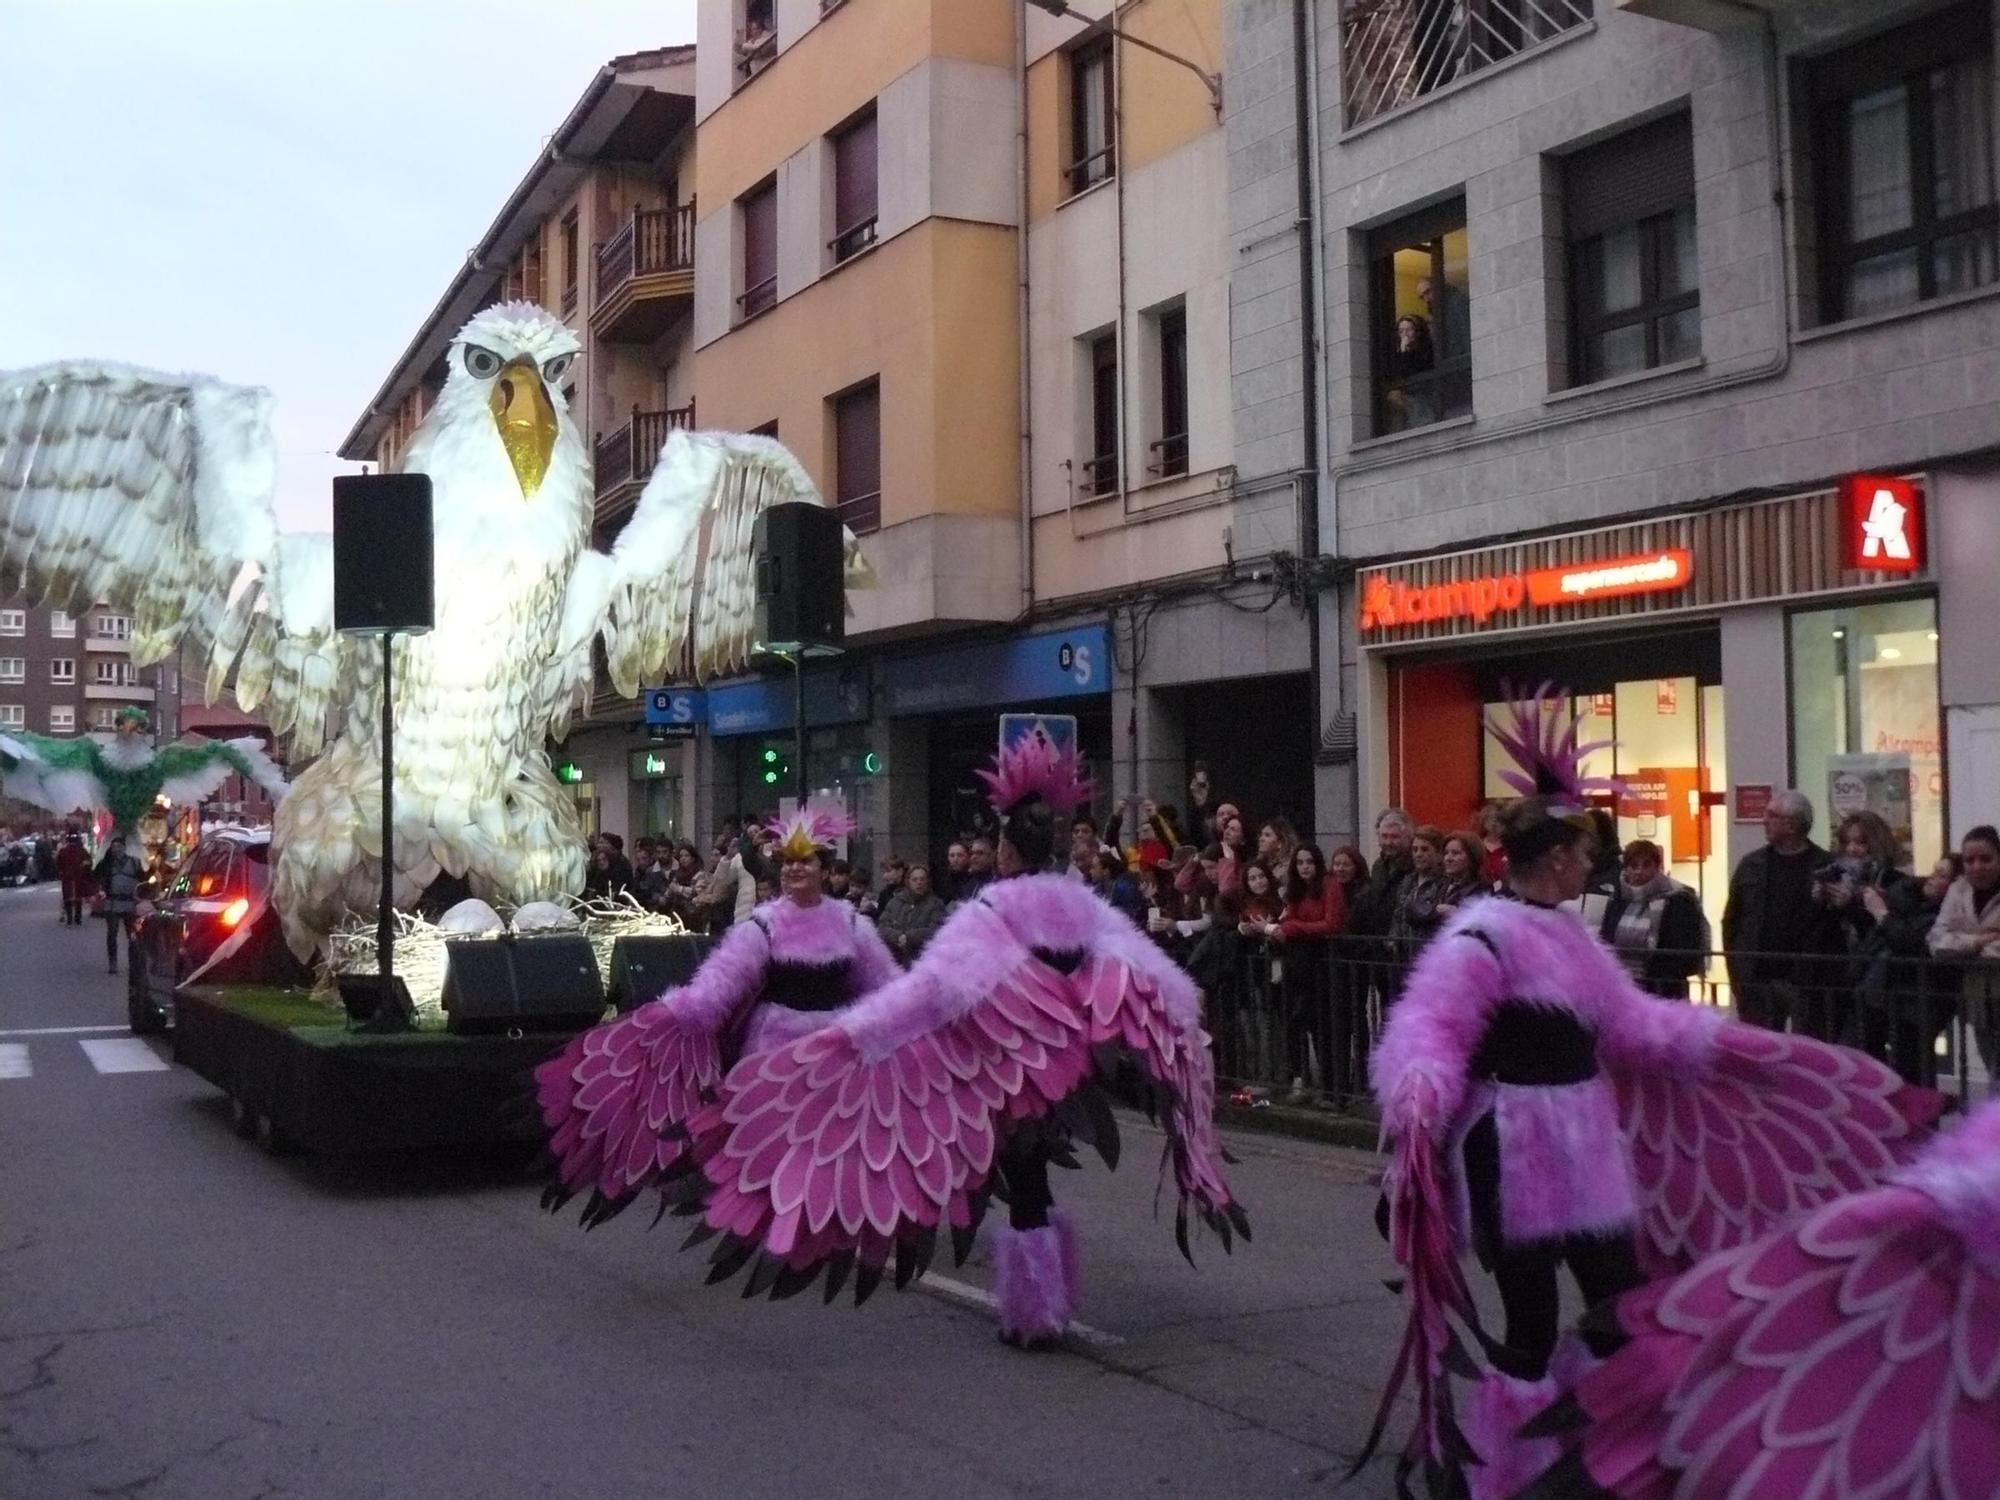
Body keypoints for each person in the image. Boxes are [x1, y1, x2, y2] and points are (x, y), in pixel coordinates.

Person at [1368, 691, 1942, 1498]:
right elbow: (1427, 1033)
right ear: (1551, 857)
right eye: (1580, 852)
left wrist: (1750, 1048)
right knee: (1530, 1327)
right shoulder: (1481, 937)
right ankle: (1510, 1470)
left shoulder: (1568, 934)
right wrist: (1419, 1095)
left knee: (1621, 1304)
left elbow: (1634, 1025)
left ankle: (1605, 1447)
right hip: (1514, 1149)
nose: (1589, 865)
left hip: (1585, 1147)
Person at [648, 737, 1243, 1347]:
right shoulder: (1081, 907)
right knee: (1032, 1177)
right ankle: (1042, 1301)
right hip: (1060, 1072)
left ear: (1008, 850)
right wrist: (1183, 1034)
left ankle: (1036, 1310)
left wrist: (855, 1036)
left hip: (1007, 1071)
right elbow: (1154, 978)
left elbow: (927, 992)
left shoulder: (991, 910)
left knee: (1024, 1176)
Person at [539, 809, 905, 1214]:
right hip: (773, 1057)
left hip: (836, 1055)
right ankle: (777, 1211)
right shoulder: (762, 927)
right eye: (788, 861)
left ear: (823, 867)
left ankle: (824, 1209)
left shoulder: (851, 924)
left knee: (833, 1141)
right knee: (777, 1144)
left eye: (806, 860)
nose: (795, 869)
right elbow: (714, 991)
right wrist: (663, 1019)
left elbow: (888, 990)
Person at [1721, 789, 1844, 1036]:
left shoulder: (1827, 867)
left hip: (1808, 981)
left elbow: (1838, 924)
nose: (1764, 820)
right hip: (1758, 977)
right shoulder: (1751, 865)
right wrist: (1736, 972)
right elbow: (1732, 920)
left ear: (1791, 824)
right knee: (1760, 1050)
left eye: (1772, 815)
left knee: (1809, 1052)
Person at [1269, 843, 1345, 1101]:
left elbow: (1330, 923)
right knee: (1295, 1022)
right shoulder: (1295, 890)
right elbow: (1288, 919)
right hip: (1297, 962)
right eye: (1300, 862)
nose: (1304, 867)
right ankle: (1301, 1078)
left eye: (1309, 862)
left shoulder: (1328, 884)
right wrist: (1278, 929)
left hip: (1321, 962)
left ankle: (1332, 1087)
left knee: (1322, 1025)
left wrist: (1294, 928)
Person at [1928, 825, 2000, 1096]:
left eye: (1986, 859)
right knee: (1992, 1066)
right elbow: (1937, 941)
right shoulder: (1958, 890)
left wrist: (1964, 944)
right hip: (1978, 1000)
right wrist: (1980, 940)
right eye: (1969, 860)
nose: (1977, 866)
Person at [1596, 837, 1709, 999]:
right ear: (1626, 868)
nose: (1639, 871)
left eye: (1646, 864)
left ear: (1657, 867)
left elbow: (1686, 951)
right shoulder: (1617, 899)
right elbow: (1606, 940)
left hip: (1663, 991)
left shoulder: (1679, 899)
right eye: (1633, 865)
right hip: (1622, 991)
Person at [876, 862, 947, 963]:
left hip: (922, 959)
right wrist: (897, 937)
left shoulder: (936, 904)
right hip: (895, 959)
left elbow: (936, 929)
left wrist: (910, 937)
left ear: (927, 882)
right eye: (915, 879)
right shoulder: (895, 901)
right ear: (908, 882)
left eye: (922, 879)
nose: (919, 883)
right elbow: (882, 926)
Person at [94, 834, 144, 975]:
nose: (116, 849)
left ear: (124, 848)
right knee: (112, 934)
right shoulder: (106, 863)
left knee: (133, 936)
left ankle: (133, 963)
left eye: (119, 846)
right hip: (112, 902)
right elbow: (95, 875)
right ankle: (113, 963)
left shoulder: (135, 863)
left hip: (129, 902)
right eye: (114, 846)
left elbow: (144, 879)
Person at [55, 830, 89, 927]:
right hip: (79, 877)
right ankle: (78, 919)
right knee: (78, 899)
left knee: (68, 898)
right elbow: (88, 862)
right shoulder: (82, 851)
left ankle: (69, 919)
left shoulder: (63, 851)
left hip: (67, 878)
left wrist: (61, 872)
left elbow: (58, 864)